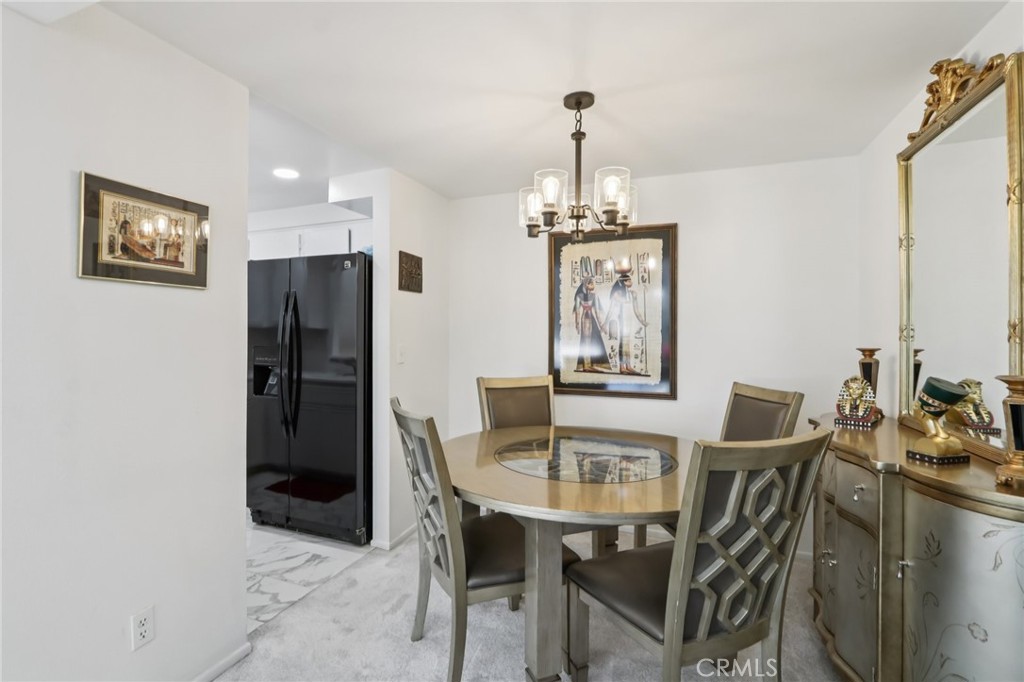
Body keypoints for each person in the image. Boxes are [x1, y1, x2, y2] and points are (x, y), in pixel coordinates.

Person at [606, 263, 648, 375]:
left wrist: (642, 321)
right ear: (624, 282)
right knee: (623, 343)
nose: (631, 283)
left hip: (629, 321)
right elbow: (611, 309)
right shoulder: (617, 294)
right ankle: (622, 367)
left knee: (627, 344)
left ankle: (628, 366)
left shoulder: (632, 294)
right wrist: (604, 323)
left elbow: (636, 310)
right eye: (629, 281)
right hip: (622, 320)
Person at [572, 276, 610, 372]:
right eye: (591, 283)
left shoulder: (593, 296)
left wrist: (601, 325)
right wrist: (577, 324)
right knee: (586, 341)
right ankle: (586, 365)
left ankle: (589, 364)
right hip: (585, 319)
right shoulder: (580, 296)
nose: (593, 285)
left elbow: (597, 313)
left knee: (592, 341)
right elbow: (577, 312)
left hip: (591, 319)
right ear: (586, 285)